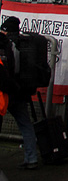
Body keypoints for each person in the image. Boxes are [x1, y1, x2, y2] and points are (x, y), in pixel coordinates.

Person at [0, 17, 38, 170]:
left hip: (7, 91)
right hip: (20, 90)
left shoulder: (6, 45)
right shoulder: (25, 44)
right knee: (25, 124)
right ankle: (31, 157)